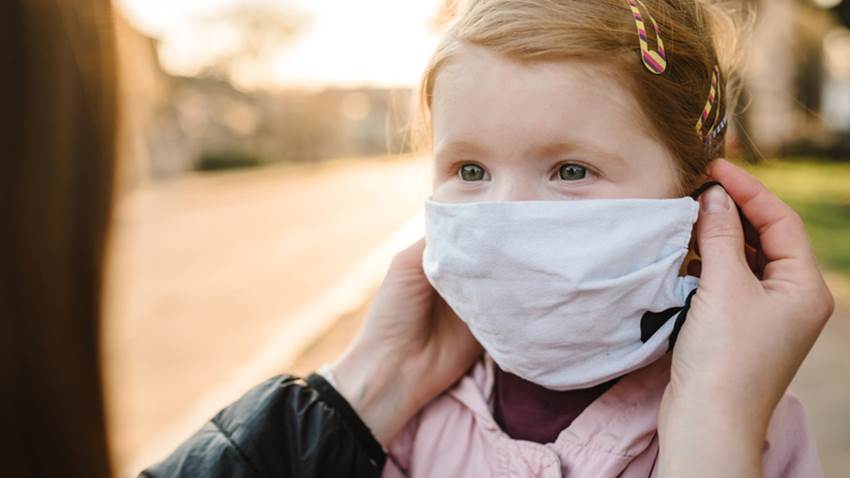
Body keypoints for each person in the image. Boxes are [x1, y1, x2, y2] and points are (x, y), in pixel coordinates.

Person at [2, 0, 832, 477]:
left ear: (702, 204)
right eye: (469, 171)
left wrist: (717, 423)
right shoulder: (395, 423)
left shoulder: (754, 421)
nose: (506, 214)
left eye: (571, 171)